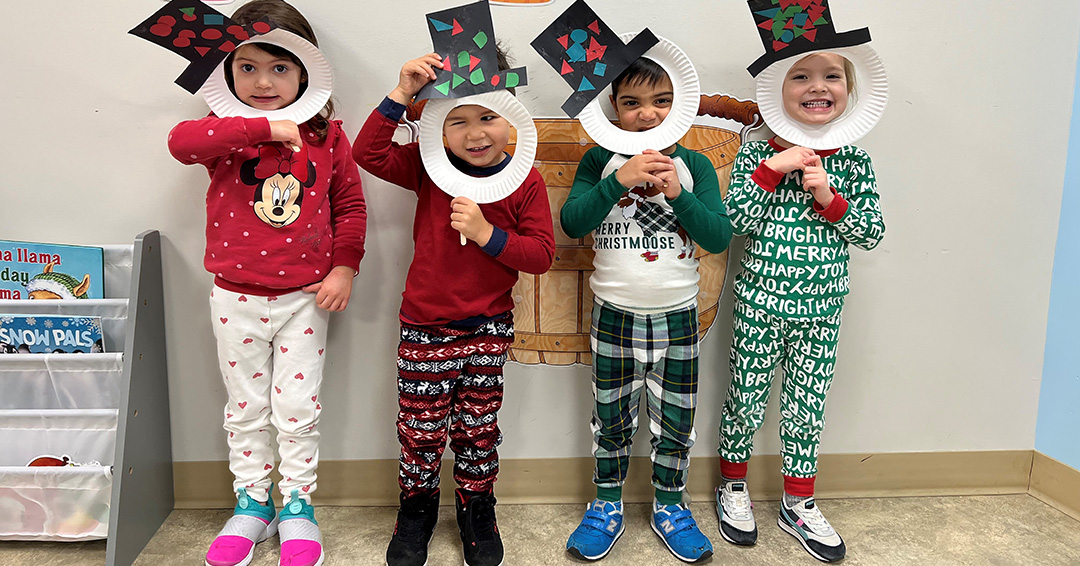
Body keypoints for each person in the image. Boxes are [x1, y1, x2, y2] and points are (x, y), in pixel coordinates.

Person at [167, 2, 366, 565]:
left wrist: (344, 265)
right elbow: (181, 143)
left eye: (280, 68)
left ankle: (297, 506)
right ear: (226, 71)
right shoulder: (224, 135)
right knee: (245, 407)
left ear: (308, 72)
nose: (263, 81)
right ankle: (252, 504)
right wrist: (263, 128)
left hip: (306, 298)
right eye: (248, 67)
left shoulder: (328, 136)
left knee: (298, 408)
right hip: (235, 296)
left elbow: (349, 205)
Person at [352, 50, 555, 566]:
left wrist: (488, 235)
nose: (474, 133)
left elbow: (541, 255)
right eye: (456, 121)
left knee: (477, 429)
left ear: (512, 117)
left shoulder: (524, 180)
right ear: (436, 129)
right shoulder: (427, 167)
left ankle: (476, 509)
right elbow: (369, 154)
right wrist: (402, 93)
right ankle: (415, 510)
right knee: (419, 433)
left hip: (489, 329)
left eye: (487, 116)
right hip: (425, 326)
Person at [560, 57, 732, 564]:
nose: (647, 114)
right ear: (614, 108)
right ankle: (607, 503)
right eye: (631, 103)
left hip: (678, 316)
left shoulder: (696, 164)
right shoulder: (598, 160)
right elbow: (573, 222)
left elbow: (718, 236)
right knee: (610, 417)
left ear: (678, 107)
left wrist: (678, 192)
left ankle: (670, 506)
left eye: (661, 102)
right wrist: (618, 180)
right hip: (614, 313)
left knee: (676, 421)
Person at [716, 50, 885, 563]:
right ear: (779, 90)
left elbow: (872, 233)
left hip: (822, 309)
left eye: (832, 76)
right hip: (759, 303)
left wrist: (831, 198)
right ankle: (733, 487)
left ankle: (799, 501)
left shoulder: (854, 159)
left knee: (807, 407)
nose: (818, 86)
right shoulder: (755, 154)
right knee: (745, 397)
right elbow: (734, 223)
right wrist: (771, 168)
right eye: (802, 76)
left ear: (849, 92)